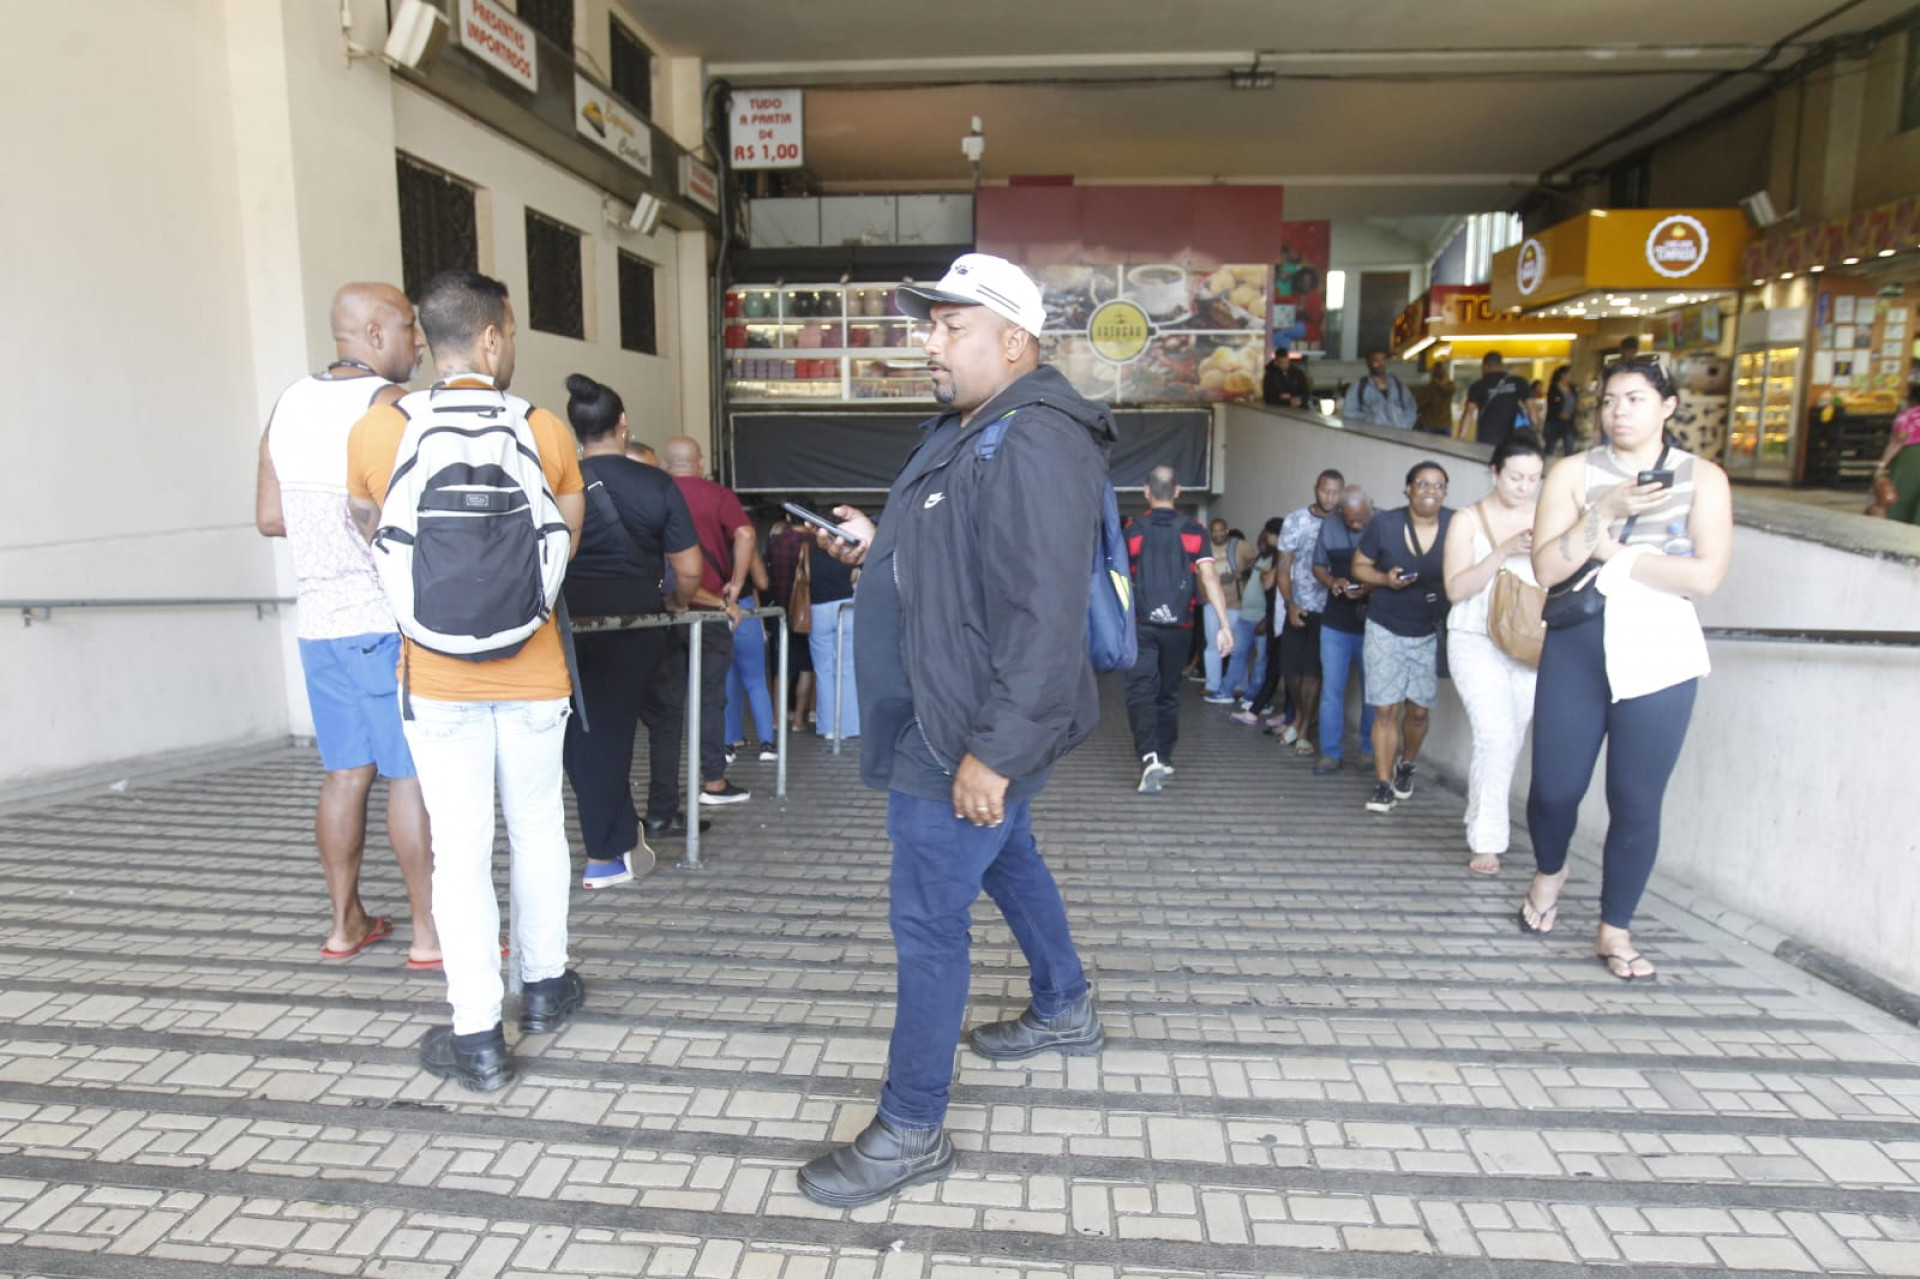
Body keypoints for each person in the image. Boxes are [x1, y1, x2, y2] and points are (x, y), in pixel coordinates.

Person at [794, 253, 1107, 1208]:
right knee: (1010, 859)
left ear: (1015, 340)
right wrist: (874, 545)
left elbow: (1044, 614)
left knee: (929, 922)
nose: (927, 340)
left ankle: (912, 1126)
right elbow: (958, 559)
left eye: (950, 325)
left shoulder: (1034, 439)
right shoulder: (971, 429)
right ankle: (1066, 1007)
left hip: (963, 729)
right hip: (954, 708)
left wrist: (994, 752)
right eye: (927, 323)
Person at [345, 268, 587, 1092]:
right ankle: (548, 987)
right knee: (538, 828)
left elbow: (370, 530)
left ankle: (478, 1034)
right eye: (511, 333)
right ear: (490, 337)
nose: (511, 345)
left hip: (436, 678)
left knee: (460, 850)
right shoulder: (544, 428)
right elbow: (564, 537)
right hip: (536, 668)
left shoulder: (380, 430)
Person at [1520, 356, 1732, 981]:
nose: (1619, 412)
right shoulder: (1573, 473)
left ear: (1667, 406)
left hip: (1661, 648)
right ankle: (1550, 869)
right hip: (1580, 642)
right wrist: (1603, 512)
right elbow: (1548, 568)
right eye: (1609, 400)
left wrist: (1618, 558)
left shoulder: (1705, 479)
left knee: (1636, 799)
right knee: (1554, 788)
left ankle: (1615, 929)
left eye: (1635, 399)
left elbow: (1705, 576)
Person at [256, 282, 439, 970]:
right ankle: (429, 932)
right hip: (384, 622)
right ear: (368, 332)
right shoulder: (388, 406)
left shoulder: (287, 404)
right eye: (407, 329)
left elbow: (271, 517)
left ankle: (345, 923)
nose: (417, 341)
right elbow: (412, 513)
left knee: (344, 775)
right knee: (410, 776)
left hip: (319, 624)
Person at [556, 374, 701, 890]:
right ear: (623, 425)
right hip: (635, 621)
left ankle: (618, 838)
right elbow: (688, 569)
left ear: (577, 431)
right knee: (609, 732)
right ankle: (603, 854)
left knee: (587, 731)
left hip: (567, 622)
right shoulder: (655, 483)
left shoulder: (559, 477)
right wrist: (677, 603)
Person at [1441, 433, 1545, 875]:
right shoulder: (1468, 520)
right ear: (1494, 472)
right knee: (1496, 733)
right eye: (1516, 477)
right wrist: (1502, 551)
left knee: (1510, 737)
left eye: (1535, 478)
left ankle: (1481, 818)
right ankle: (1487, 840)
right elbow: (1455, 588)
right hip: (1474, 636)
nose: (1525, 486)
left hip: (1530, 641)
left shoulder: (1550, 517)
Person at [1351, 462, 1453, 814]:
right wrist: (1384, 579)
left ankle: (1406, 765)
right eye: (1422, 484)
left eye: (1439, 486)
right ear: (1408, 488)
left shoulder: (1456, 525)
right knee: (1385, 708)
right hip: (1385, 624)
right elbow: (1358, 566)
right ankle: (1382, 784)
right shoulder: (1385, 524)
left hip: (1428, 627)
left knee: (1419, 711)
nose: (1430, 491)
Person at [660, 436, 755, 806]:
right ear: (699, 461)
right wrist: (737, 584)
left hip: (665, 610)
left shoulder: (658, 492)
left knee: (665, 701)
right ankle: (713, 781)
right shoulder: (718, 495)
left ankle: (664, 789)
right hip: (711, 609)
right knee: (710, 698)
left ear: (667, 465)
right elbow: (746, 533)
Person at [1125, 465, 1232, 791]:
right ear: (1178, 491)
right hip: (1179, 625)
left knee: (1141, 689)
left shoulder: (1132, 530)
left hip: (1141, 624)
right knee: (1168, 691)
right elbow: (1209, 577)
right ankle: (1166, 756)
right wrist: (1224, 624)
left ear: (1146, 492)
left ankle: (1149, 756)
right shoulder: (1194, 531)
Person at [1270, 470, 1344, 755]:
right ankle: (1299, 717)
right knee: (1291, 670)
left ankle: (1303, 730)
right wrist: (1289, 603)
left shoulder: (1343, 522)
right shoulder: (1296, 520)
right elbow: (1283, 566)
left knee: (1314, 673)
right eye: (1325, 491)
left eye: (1335, 492)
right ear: (1316, 489)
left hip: (1329, 611)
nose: (1330, 497)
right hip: (1297, 606)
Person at [1311, 487, 1378, 775]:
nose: (1354, 525)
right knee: (1331, 691)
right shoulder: (1329, 525)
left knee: (1373, 692)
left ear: (1370, 508)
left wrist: (1371, 585)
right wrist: (1332, 582)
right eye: (1349, 519)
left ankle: (1370, 750)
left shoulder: (1385, 524)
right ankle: (1330, 753)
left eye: (1360, 519)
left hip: (1374, 623)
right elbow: (1317, 566)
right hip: (1335, 622)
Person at [723, 538, 779, 762]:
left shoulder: (703, 539)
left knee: (724, 682)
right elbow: (763, 583)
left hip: (715, 610)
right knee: (755, 681)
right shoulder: (743, 542)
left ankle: (727, 745)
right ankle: (767, 744)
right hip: (745, 611)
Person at [765, 508, 817, 730]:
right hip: (806, 611)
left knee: (781, 667)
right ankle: (798, 720)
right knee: (806, 666)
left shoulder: (775, 542)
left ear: (787, 517)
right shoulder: (814, 543)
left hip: (780, 609)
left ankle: (776, 720)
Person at [808, 536, 860, 739]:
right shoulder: (847, 547)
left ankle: (827, 727)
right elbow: (854, 577)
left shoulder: (810, 547)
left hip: (818, 608)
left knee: (823, 670)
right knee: (847, 669)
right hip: (846, 607)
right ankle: (848, 727)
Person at [1201, 518, 1254, 703]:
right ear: (1210, 532)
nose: (1218, 534)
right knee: (1212, 646)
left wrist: (1245, 574)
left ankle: (1239, 686)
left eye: (1221, 530)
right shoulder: (1205, 547)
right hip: (1212, 606)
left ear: (1227, 530)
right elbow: (1199, 574)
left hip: (1237, 606)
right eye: (1214, 531)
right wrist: (1204, 597)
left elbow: (1256, 562)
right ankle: (1212, 685)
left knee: (1238, 647)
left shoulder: (1240, 546)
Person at [1870, 384, 1920, 523]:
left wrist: (1881, 465)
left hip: (1910, 459)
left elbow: (1898, 440)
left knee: (1900, 495)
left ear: (1912, 399)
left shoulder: (1909, 415)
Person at [1459, 351, 1530, 448]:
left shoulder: (1479, 386)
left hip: (1487, 437)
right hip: (1514, 436)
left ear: (1486, 366)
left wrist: (1461, 438)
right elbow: (1531, 406)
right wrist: (1536, 428)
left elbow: (1469, 412)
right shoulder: (1518, 382)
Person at [1341, 348, 1417, 429]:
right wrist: (1370, 418)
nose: (1381, 364)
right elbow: (1348, 413)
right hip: (1374, 437)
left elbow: (1411, 408)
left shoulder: (1398, 386)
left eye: (1383, 360)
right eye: (1376, 361)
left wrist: (1405, 426)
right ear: (1368, 363)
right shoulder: (1359, 388)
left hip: (1399, 436)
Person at [1542, 365, 1580, 458]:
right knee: (1550, 447)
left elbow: (1575, 402)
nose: (1571, 376)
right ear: (1563, 375)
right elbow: (1552, 405)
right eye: (1569, 374)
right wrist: (1559, 414)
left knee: (1569, 445)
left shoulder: (1572, 388)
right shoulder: (1554, 389)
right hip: (1554, 422)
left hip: (1568, 421)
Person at [1413, 364, 1455, 436]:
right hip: (1445, 424)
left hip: (1429, 424)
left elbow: (1419, 404)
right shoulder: (1450, 386)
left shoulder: (1429, 388)